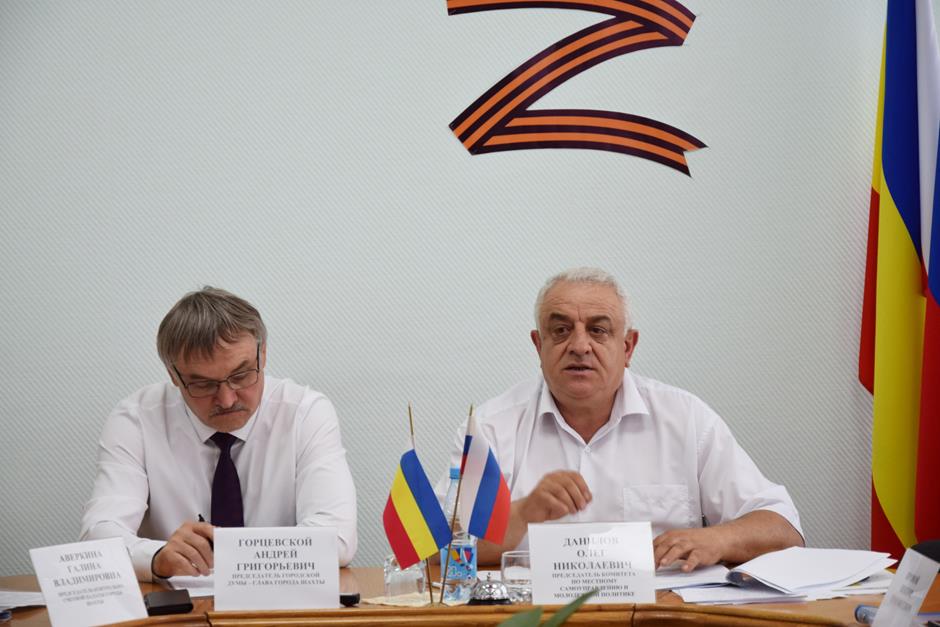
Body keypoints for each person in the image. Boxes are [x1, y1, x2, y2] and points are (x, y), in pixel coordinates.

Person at [439, 267, 803, 570]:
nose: (579, 346)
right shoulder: (490, 428)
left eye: (598, 330)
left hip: (656, 616)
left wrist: (717, 539)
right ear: (539, 345)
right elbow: (438, 548)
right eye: (561, 330)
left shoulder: (686, 419)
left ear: (628, 347)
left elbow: (784, 528)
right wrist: (523, 513)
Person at [80, 287, 357, 580]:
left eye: (241, 375)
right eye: (203, 384)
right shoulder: (136, 419)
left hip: (281, 601)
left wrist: (235, 556)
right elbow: (99, 537)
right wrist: (157, 557)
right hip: (178, 604)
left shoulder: (304, 413)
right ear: (173, 376)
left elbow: (337, 538)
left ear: (262, 355)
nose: (226, 400)